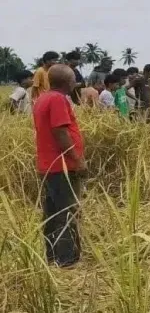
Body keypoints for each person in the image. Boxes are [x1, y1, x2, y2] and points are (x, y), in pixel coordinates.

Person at [33, 64, 86, 268]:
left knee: (52, 213)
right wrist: (78, 160)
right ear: (68, 82)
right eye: (74, 79)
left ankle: (52, 256)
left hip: (48, 165)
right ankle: (67, 260)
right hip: (62, 166)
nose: (76, 82)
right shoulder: (57, 99)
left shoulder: (43, 98)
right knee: (67, 212)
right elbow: (60, 133)